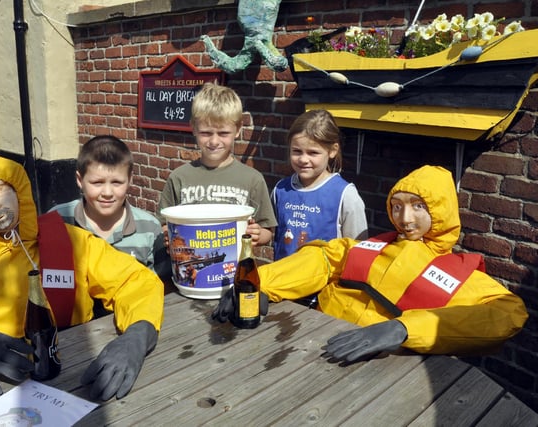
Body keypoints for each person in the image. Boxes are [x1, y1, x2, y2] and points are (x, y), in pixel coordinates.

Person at [0, 152, 164, 401]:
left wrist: (137, 333)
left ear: (19, 191)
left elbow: (133, 280)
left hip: (77, 373)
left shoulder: (75, 246)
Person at [213, 165, 528, 361]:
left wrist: (405, 329)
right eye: (398, 206)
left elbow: (508, 313)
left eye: (419, 207)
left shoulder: (457, 274)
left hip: (386, 367)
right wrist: (259, 284)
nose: (405, 218)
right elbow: (320, 257)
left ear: (441, 212)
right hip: (304, 345)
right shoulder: (369, 247)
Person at [158, 82, 277, 247]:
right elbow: (164, 222)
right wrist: (168, 235)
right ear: (193, 128)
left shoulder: (252, 179)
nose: (214, 141)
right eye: (206, 133)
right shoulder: (179, 177)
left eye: (223, 133)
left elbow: (267, 230)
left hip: (236, 269)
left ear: (238, 129)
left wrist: (257, 234)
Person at [271, 110, 367, 308]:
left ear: (332, 150)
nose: (304, 159)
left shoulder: (345, 194)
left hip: (323, 298)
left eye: (313, 153)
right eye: (297, 151)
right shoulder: (281, 189)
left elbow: (358, 252)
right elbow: (272, 234)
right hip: (281, 290)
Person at [50, 135, 170, 279]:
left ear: (130, 179)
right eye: (97, 182)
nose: (107, 193)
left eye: (117, 182)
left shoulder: (150, 229)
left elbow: (159, 287)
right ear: (80, 180)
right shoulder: (57, 221)